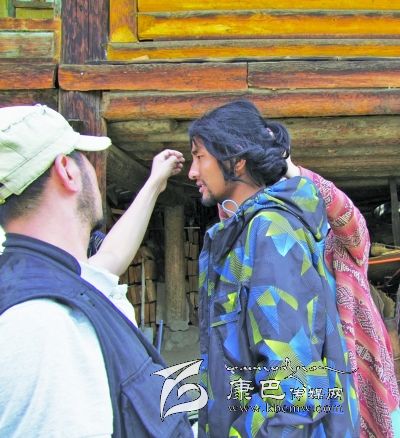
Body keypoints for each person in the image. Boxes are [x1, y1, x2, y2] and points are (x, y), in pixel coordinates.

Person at [0, 104, 193, 437]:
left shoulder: (45, 276)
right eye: (83, 156)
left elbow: (110, 258)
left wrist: (155, 183)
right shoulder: (41, 324)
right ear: (67, 170)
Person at [188, 100, 359, 437]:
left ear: (236, 160)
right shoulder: (244, 232)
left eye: (199, 156)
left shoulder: (271, 232)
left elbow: (294, 385)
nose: (192, 172)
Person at [285, 157, 400, 438]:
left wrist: (292, 170)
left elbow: (345, 212)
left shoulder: (347, 247)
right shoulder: (284, 252)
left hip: (366, 374)